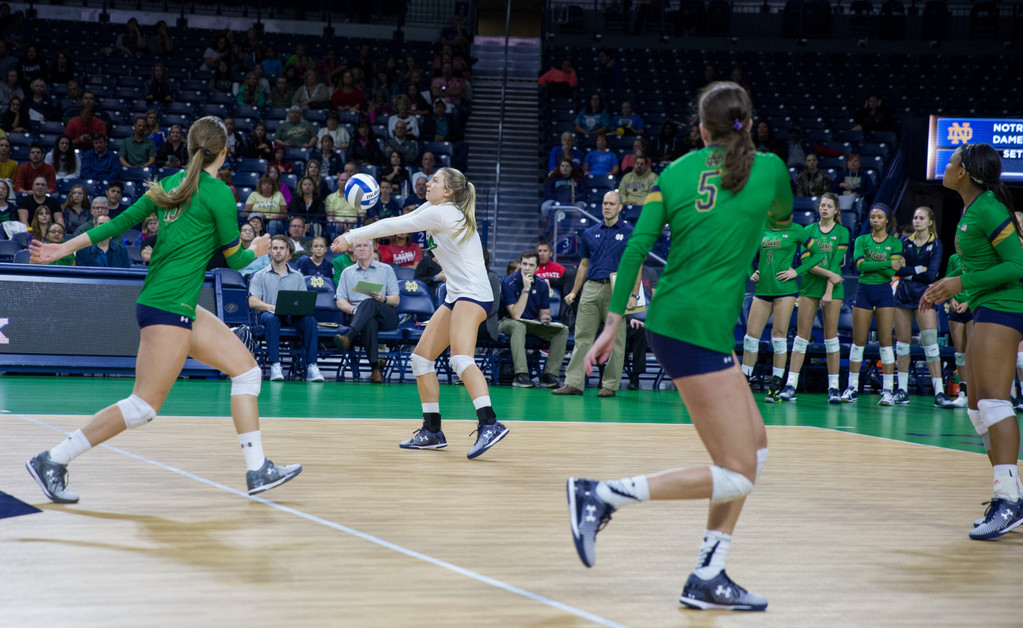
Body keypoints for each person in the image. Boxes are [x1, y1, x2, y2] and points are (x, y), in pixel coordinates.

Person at [567, 81, 792, 612]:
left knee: (754, 449)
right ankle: (599, 496)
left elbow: (638, 247)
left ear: (700, 127)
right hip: (697, 330)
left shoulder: (673, 173)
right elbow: (782, 220)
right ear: (748, 122)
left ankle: (708, 573)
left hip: (679, 321)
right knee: (737, 469)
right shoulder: (772, 170)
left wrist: (612, 322)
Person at [26, 115, 302, 503]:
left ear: (190, 148)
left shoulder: (168, 185)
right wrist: (256, 248)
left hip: (176, 303)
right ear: (224, 152)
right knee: (142, 406)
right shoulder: (220, 193)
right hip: (168, 306)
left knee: (247, 371)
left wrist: (64, 247)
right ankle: (52, 459)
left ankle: (258, 470)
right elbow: (236, 260)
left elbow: (116, 223)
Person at [331, 167, 509, 458]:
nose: (429, 183)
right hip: (456, 295)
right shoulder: (436, 207)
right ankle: (432, 430)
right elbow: (406, 219)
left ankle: (489, 423)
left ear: (448, 191)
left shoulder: (445, 213)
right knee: (420, 359)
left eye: (435, 181)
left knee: (461, 358)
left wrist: (352, 235)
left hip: (474, 294)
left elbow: (395, 224)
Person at [920, 142, 1023, 540]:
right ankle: (1009, 493)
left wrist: (960, 282)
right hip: (985, 305)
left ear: (964, 172)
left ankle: (1009, 499)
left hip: (1007, 305)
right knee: (976, 406)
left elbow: (1018, 264)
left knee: (995, 401)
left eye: (951, 162)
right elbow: (984, 264)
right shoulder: (971, 209)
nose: (946, 167)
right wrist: (952, 291)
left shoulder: (990, 209)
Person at [552, 191, 641, 398]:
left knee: (617, 340)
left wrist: (634, 295)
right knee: (582, 337)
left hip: (617, 289)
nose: (607, 207)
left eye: (611, 204)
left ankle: (609, 385)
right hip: (591, 287)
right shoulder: (589, 233)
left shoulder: (629, 232)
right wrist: (574, 291)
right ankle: (574, 382)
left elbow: (636, 265)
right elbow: (583, 264)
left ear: (620, 207)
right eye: (604, 203)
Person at [740, 200, 825, 402]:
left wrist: (796, 271)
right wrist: (751, 272)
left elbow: (818, 254)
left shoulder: (797, 230)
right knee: (751, 337)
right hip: (762, 290)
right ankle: (744, 384)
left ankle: (775, 386)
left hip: (785, 291)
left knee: (778, 336)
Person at [782, 193, 849, 403]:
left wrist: (829, 289)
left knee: (831, 338)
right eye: (822, 205)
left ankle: (834, 388)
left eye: (829, 206)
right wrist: (830, 276)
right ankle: (790, 384)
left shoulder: (842, 232)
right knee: (802, 337)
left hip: (833, 291)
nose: (825, 208)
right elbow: (807, 264)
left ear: (836, 210)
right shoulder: (808, 231)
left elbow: (837, 262)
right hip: (810, 288)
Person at [841, 203, 904, 405]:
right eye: (872, 217)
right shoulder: (861, 239)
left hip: (884, 293)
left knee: (886, 342)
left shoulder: (895, 243)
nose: (875, 220)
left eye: (879, 217)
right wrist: (887, 263)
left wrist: (876, 266)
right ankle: (851, 388)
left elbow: (889, 274)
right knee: (858, 342)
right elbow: (860, 266)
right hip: (864, 292)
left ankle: (887, 391)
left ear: (886, 220)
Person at [892, 206, 952, 407]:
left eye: (921, 218)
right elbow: (896, 270)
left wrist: (907, 271)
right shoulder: (903, 242)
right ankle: (901, 390)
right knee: (902, 344)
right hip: (903, 295)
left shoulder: (936, 244)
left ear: (930, 222)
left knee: (931, 344)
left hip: (925, 296)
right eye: (915, 217)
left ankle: (940, 393)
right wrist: (916, 270)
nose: (917, 221)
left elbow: (931, 274)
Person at [248, 234, 324, 383]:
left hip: (293, 315)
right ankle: (275, 365)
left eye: (281, 248)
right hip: (270, 314)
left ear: (288, 252)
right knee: (271, 319)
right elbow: (252, 301)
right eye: (275, 248)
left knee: (310, 320)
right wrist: (271, 307)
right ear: (269, 251)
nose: (278, 251)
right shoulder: (260, 275)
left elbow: (303, 301)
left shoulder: (298, 276)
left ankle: (312, 366)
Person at [331, 239, 400, 384]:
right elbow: (340, 301)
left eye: (365, 246)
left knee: (369, 302)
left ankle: (348, 336)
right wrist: (355, 310)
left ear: (372, 249)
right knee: (369, 320)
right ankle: (376, 370)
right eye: (358, 246)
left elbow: (396, 299)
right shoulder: (347, 272)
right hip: (360, 318)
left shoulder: (386, 269)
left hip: (386, 314)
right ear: (354, 251)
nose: (362, 249)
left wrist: (384, 298)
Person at [499, 248, 569, 388]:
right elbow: (516, 315)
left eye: (531, 265)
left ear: (537, 268)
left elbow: (544, 312)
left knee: (563, 330)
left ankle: (549, 375)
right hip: (507, 322)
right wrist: (526, 289)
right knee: (519, 325)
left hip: (531, 322)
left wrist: (545, 318)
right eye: (524, 264)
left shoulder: (542, 284)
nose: (527, 268)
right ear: (520, 264)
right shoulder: (509, 282)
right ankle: (521, 375)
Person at [944, 252, 972, 409]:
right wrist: (952, 299)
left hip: (972, 306)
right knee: (959, 353)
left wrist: (968, 302)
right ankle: (963, 393)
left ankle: (975, 393)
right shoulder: (953, 258)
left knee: (972, 351)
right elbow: (948, 280)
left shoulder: (978, 256)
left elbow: (981, 282)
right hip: (955, 310)